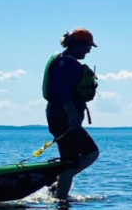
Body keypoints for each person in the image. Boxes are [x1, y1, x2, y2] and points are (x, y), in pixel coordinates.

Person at [42, 28, 100, 200]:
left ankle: (58, 186)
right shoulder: (67, 64)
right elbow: (62, 92)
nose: (89, 50)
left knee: (90, 152)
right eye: (88, 46)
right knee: (71, 162)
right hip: (64, 118)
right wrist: (72, 115)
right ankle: (61, 205)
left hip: (60, 116)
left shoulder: (63, 61)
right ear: (78, 45)